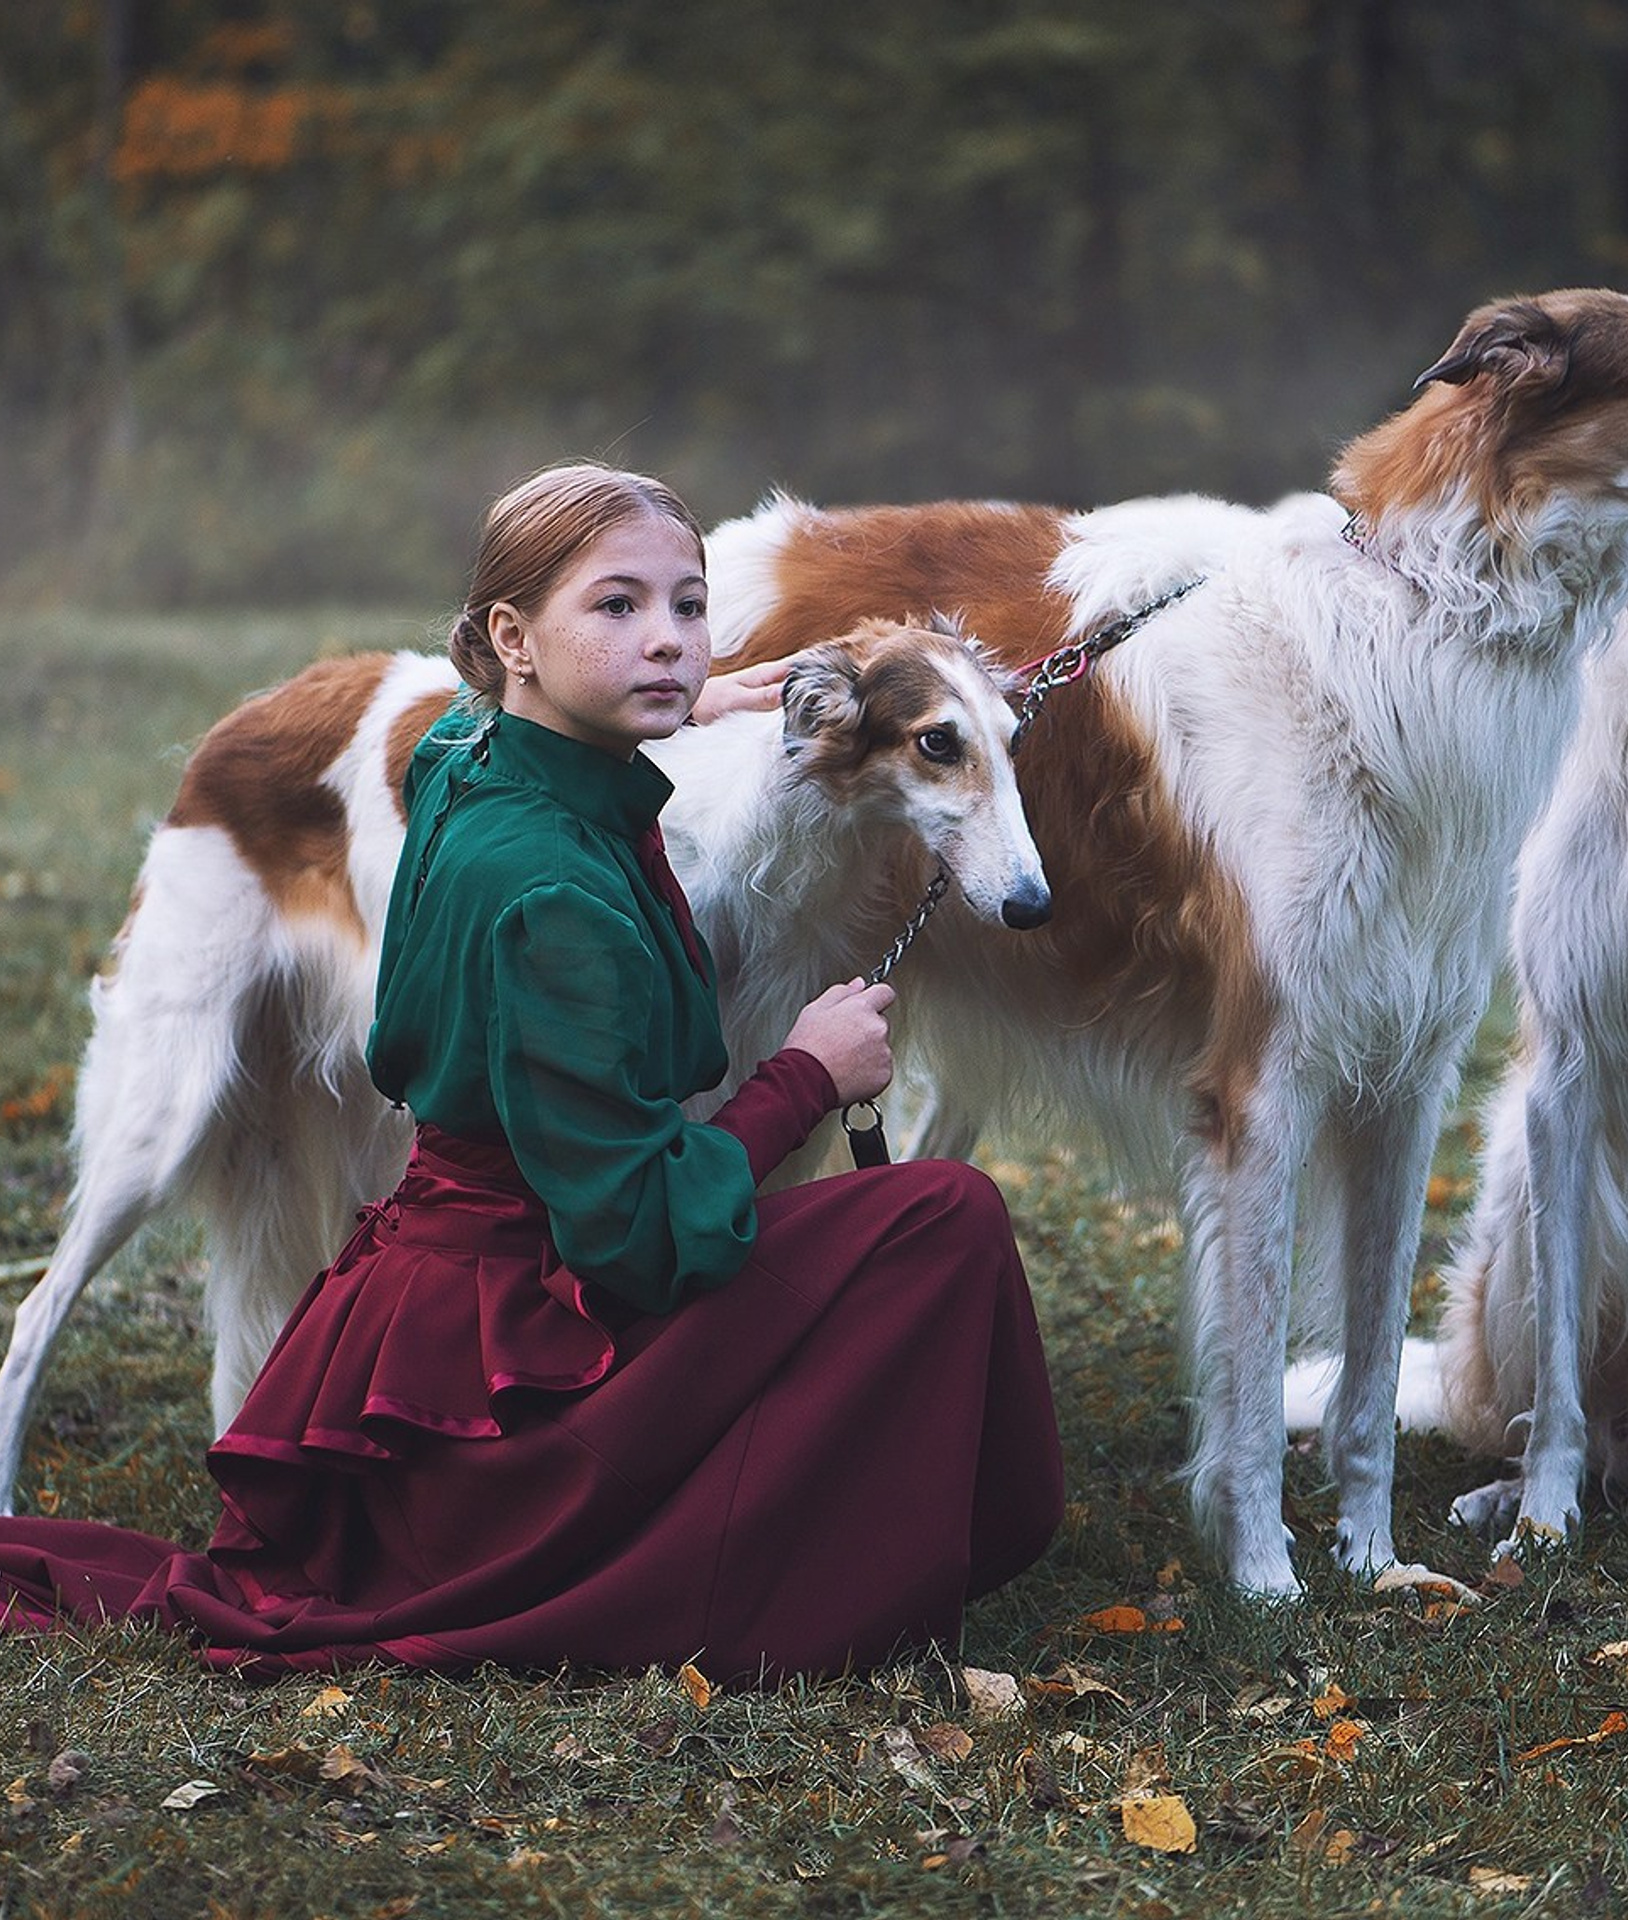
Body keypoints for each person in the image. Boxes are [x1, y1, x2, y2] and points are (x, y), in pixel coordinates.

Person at [0, 462, 1063, 1682]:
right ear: (511, 639)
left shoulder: (468, 771)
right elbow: (642, 1237)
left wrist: (687, 703)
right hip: (507, 1404)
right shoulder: (557, 890)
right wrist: (807, 1078)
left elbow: (467, 722)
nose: (669, 642)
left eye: (689, 606)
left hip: (411, 1331)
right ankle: (792, 1560)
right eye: (617, 610)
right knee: (940, 1213)